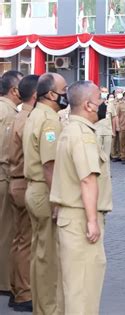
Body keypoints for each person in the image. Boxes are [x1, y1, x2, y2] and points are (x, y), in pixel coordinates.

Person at [50, 80, 112, 315]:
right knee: (83, 289)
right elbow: (87, 179)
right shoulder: (83, 135)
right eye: (100, 99)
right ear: (88, 105)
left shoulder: (70, 129)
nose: (103, 104)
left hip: (70, 217)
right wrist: (92, 221)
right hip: (80, 220)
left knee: (69, 288)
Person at [23, 72, 68, 315]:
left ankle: (41, 307)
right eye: (63, 89)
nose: (66, 94)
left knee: (40, 254)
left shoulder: (35, 113)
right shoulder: (49, 120)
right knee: (49, 258)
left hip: (34, 189)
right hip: (44, 190)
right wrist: (57, 200)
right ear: (51, 94)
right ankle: (49, 309)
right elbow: (49, 164)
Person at [6, 75, 38, 312]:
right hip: (24, 183)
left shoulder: (20, 115)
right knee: (26, 241)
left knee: (19, 240)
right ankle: (23, 292)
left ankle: (18, 288)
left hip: (16, 181)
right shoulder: (28, 119)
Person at [0, 70, 23, 302]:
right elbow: (7, 152)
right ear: (14, 90)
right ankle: (5, 281)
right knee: (7, 231)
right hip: (3, 176)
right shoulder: (7, 113)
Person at [95, 86, 117, 160]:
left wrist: (113, 131)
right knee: (97, 153)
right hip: (97, 130)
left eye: (106, 92)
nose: (104, 93)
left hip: (108, 130)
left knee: (106, 154)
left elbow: (113, 117)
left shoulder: (110, 104)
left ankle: (105, 170)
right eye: (103, 91)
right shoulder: (95, 103)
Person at [116, 89, 125, 164]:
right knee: (122, 143)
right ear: (124, 96)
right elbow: (117, 116)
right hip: (122, 126)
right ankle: (123, 157)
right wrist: (117, 126)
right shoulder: (120, 104)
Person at [108, 93, 121, 162]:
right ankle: (113, 155)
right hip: (109, 124)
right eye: (110, 97)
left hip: (118, 123)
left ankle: (118, 154)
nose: (112, 98)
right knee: (112, 141)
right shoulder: (109, 104)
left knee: (118, 141)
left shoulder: (120, 103)